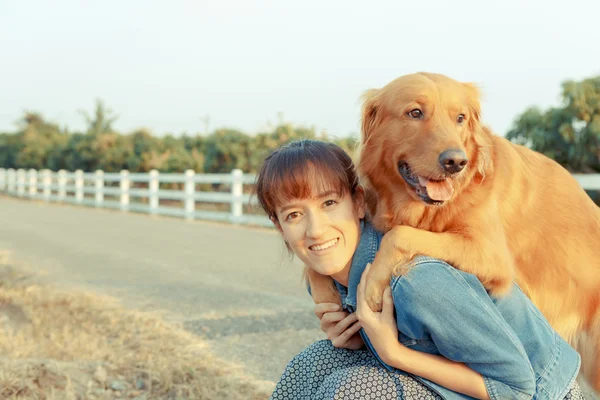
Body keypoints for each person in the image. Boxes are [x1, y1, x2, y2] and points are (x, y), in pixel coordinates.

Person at [255, 139, 585, 400]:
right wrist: (361, 340)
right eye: (294, 215)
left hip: (543, 392)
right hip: (463, 383)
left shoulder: (415, 278)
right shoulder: (328, 282)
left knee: (350, 390)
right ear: (279, 225)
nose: (315, 230)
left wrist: (392, 352)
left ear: (358, 202)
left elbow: (516, 388)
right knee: (311, 366)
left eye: (329, 204)